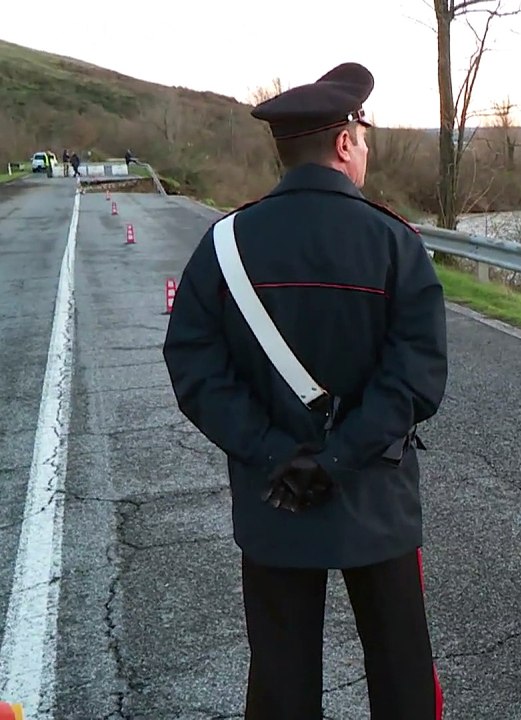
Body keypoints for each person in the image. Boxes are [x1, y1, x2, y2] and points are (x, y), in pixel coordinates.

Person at [161, 61, 449, 720]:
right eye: (365, 138)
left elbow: (194, 367)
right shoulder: (394, 243)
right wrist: (340, 459)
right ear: (345, 142)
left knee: (282, 679)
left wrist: (272, 454)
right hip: (374, 495)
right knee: (401, 670)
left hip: (274, 497)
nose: (367, 149)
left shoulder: (225, 243)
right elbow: (417, 377)